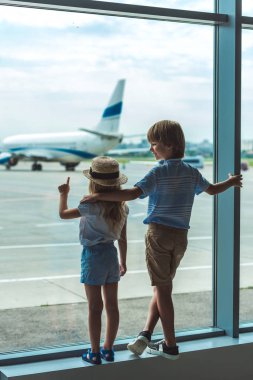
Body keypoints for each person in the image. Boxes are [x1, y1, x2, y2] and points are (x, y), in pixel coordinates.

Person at [81, 120, 243, 360]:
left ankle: (170, 345)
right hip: (181, 237)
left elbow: (133, 193)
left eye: (154, 144)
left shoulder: (159, 171)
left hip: (159, 235)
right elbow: (211, 190)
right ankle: (146, 334)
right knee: (162, 287)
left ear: (169, 145)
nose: (151, 149)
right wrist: (230, 182)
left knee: (163, 290)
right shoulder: (191, 171)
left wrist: (98, 195)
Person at [58, 156, 128, 365]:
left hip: (92, 256)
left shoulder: (89, 205)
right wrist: (123, 261)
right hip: (111, 255)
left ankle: (94, 352)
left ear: (93, 183)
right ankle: (109, 349)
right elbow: (123, 238)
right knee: (112, 307)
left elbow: (63, 214)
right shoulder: (122, 207)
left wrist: (64, 194)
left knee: (94, 307)